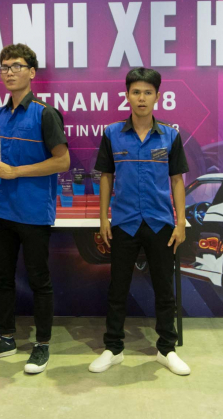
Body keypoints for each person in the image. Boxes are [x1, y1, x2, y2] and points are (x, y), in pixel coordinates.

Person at [0, 44, 69, 374]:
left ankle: (42, 345)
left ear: (32, 72)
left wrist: (16, 172)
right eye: (4, 67)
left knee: (39, 280)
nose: (9, 73)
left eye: (17, 66)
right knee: (2, 279)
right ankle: (5, 338)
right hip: (0, 211)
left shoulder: (45, 113)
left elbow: (62, 161)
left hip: (33, 213)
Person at [89, 67, 191, 376]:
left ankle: (166, 350)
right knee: (117, 289)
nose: (142, 98)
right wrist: (103, 218)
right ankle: (113, 349)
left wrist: (181, 222)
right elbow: (106, 177)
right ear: (127, 96)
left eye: (148, 92)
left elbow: (177, 180)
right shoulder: (112, 134)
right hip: (124, 222)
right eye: (136, 92)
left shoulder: (170, 136)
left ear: (158, 96)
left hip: (160, 223)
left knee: (164, 289)